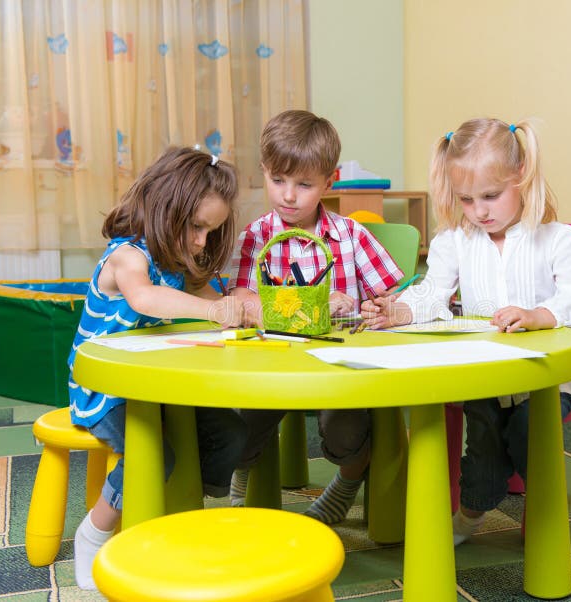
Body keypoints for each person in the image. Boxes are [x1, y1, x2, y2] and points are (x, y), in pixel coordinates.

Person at [360, 118, 571, 544]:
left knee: (528, 434)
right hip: (485, 376)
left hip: (548, 379)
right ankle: (471, 515)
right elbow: (433, 291)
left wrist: (540, 314)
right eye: (467, 200)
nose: (479, 211)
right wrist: (399, 310)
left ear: (522, 176)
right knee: (484, 450)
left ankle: (545, 510)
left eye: (490, 196)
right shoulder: (456, 241)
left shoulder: (559, 239)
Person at [68, 147, 249, 590]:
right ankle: (94, 532)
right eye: (196, 227)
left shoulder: (175, 265)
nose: (202, 242)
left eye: (212, 230)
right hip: (107, 390)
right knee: (157, 456)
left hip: (159, 384)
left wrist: (255, 310)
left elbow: (218, 302)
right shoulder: (126, 257)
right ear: (164, 206)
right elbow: (146, 299)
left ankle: (185, 509)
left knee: (230, 432)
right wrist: (217, 311)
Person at [227, 109, 404, 524]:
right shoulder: (255, 237)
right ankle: (241, 477)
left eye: (304, 185)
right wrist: (310, 306)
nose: (289, 196)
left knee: (346, 429)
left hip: (337, 369)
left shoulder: (350, 235)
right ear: (265, 173)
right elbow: (240, 300)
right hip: (269, 367)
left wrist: (373, 307)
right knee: (240, 423)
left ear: (329, 182)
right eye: (278, 181)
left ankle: (346, 481)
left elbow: (388, 296)